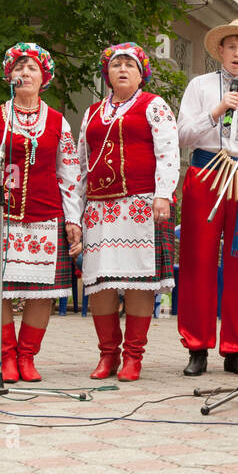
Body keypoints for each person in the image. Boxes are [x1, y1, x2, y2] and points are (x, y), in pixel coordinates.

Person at [0, 43, 82, 383]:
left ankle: (27, 355)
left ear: (44, 77)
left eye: (31, 68)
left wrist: (73, 220)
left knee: (40, 290)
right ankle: (6, 356)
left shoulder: (59, 122)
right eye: (18, 68)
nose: (24, 73)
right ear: (8, 75)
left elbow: (69, 174)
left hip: (45, 216)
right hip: (1, 216)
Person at [176, 19, 238, 376]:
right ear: (220, 50)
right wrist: (216, 111)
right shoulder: (199, 86)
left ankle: (237, 347)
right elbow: (183, 135)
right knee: (198, 260)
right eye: (231, 46)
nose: (237, 53)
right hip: (205, 175)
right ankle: (197, 345)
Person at [78, 43, 178, 382]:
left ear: (141, 74)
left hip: (140, 203)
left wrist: (163, 195)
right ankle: (108, 354)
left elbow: (168, 151)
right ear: (107, 73)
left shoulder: (154, 105)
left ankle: (133, 356)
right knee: (100, 282)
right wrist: (77, 211)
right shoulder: (92, 112)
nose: (122, 69)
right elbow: (81, 162)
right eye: (116, 64)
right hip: (98, 209)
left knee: (139, 280)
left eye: (129, 65)